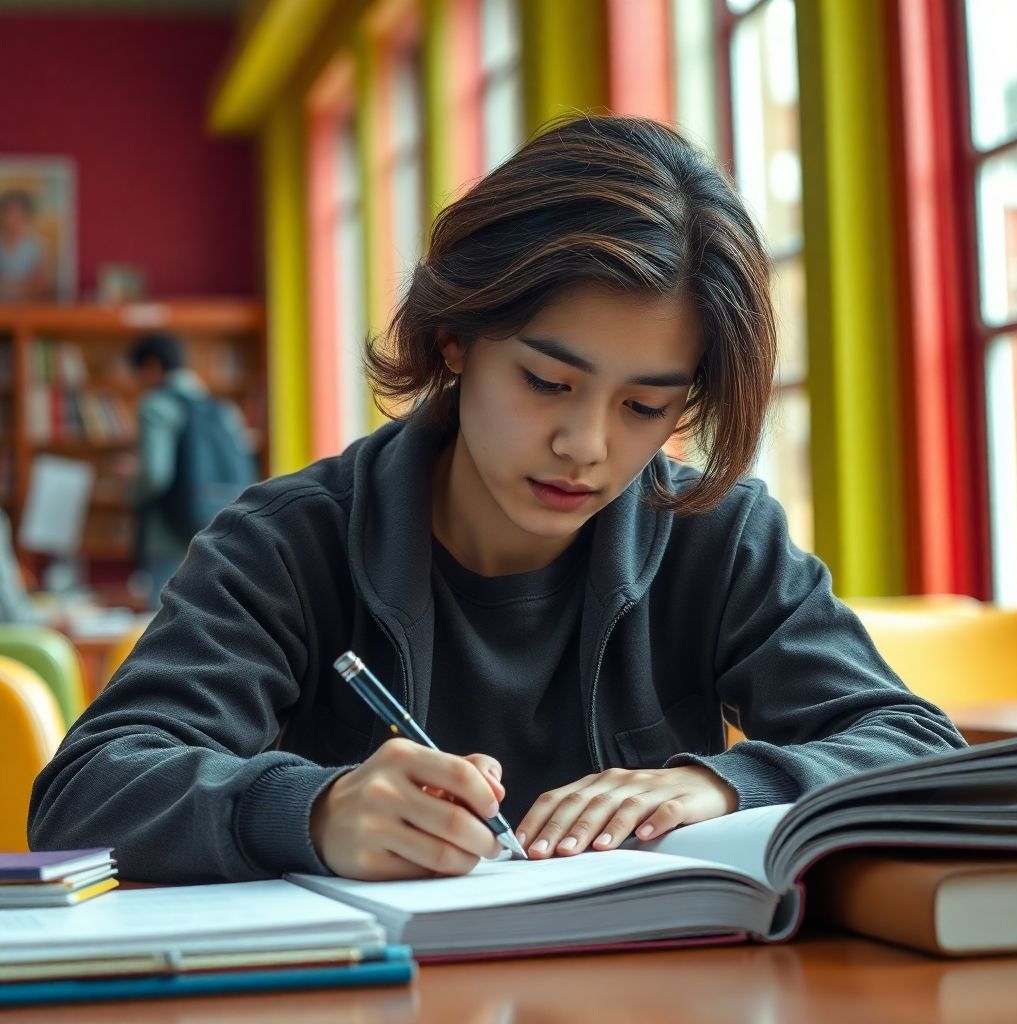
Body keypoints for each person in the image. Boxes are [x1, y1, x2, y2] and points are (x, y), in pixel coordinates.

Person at [29, 114, 964, 884]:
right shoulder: (285, 544)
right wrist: (312, 810)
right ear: (454, 341)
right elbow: (88, 791)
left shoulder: (714, 536)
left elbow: (916, 743)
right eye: (548, 382)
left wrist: (719, 786)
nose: (587, 446)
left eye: (646, 406)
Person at [126, 333, 253, 609]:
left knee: (163, 624)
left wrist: (130, 489)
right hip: (221, 529)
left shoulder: (156, 406)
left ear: (151, 367)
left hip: (169, 533)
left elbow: (155, 475)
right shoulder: (223, 409)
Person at [0, 189, 53, 302]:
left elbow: (41, 283)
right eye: (8, 212)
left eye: (17, 213)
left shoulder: (38, 246)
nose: (12, 218)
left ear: (26, 215)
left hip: (28, 309)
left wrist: (15, 290)